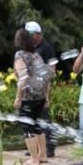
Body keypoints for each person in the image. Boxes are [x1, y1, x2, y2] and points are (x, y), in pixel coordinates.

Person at [13, 28, 52, 165]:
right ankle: (43, 155)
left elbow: (23, 77)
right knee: (37, 125)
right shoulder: (36, 55)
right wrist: (46, 97)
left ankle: (34, 159)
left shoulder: (20, 55)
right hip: (40, 95)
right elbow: (46, 77)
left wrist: (18, 97)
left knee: (27, 126)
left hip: (29, 96)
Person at [25, 21, 57, 158]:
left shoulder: (47, 48)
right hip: (31, 90)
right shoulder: (29, 48)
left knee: (44, 119)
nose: (31, 37)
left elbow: (51, 71)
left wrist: (47, 95)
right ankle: (36, 148)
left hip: (42, 88)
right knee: (33, 120)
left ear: (38, 34)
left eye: (33, 35)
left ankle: (49, 148)